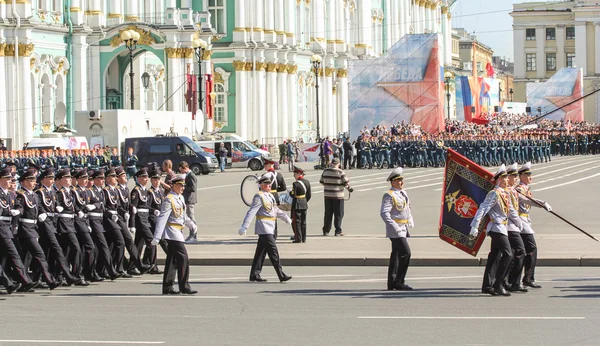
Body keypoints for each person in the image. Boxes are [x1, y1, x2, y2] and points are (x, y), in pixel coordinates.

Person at [469, 164, 520, 297]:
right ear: (498, 180)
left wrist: (518, 222)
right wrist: (475, 226)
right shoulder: (494, 193)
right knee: (508, 254)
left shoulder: (504, 193)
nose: (507, 180)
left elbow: (511, 210)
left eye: (507, 179)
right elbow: (483, 209)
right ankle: (498, 284)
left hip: (502, 227)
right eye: (504, 179)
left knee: (495, 256)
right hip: (496, 227)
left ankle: (487, 285)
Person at [238, 174, 292, 283]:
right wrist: (245, 226)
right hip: (264, 227)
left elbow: (275, 210)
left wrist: (286, 218)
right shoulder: (259, 196)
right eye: (267, 185)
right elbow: (252, 212)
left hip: (270, 227)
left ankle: (254, 274)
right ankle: (281, 275)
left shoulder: (270, 196)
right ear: (261, 185)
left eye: (269, 184)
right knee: (273, 251)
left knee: (261, 252)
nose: (269, 186)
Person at [151, 174, 198, 295]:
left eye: (183, 186)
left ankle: (168, 287)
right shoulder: (169, 199)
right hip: (172, 233)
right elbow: (162, 218)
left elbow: (183, 215)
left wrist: (191, 224)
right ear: (174, 186)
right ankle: (184, 286)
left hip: (179, 231)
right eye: (180, 185)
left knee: (172, 260)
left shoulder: (180, 198)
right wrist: (157, 236)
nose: (182, 188)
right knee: (183, 258)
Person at [515, 162, 552, 289]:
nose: (531, 177)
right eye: (528, 175)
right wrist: (542, 204)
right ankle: (527, 278)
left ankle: (525, 278)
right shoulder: (519, 189)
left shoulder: (525, 188)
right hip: (521, 222)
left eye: (531, 175)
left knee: (525, 251)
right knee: (531, 249)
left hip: (525, 221)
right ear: (522, 176)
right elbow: (526, 200)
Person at [0, 167, 35, 293]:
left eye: (11, 179)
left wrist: (17, 211)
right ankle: (24, 280)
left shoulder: (10, 194)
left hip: (7, 227)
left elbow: (19, 207)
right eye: (7, 179)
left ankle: (10, 283)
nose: (10, 181)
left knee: (4, 257)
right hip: (2, 227)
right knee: (14, 253)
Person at [380, 167, 414, 290]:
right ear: (393, 182)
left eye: (402, 180)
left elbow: (407, 207)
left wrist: (410, 219)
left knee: (396, 254)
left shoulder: (403, 193)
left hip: (403, 227)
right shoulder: (389, 195)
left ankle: (392, 282)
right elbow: (384, 214)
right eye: (399, 180)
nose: (402, 182)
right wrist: (396, 228)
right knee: (406, 253)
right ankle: (399, 281)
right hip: (395, 230)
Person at [504, 163, 528, 293]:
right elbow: (510, 209)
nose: (516, 178)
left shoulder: (513, 190)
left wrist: (542, 204)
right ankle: (513, 281)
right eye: (513, 176)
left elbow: (525, 200)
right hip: (509, 226)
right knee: (519, 251)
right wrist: (518, 221)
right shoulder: (506, 191)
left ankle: (509, 281)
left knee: (513, 253)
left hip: (514, 225)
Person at [319, 157, 350, 236]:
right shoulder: (340, 172)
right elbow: (346, 182)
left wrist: (329, 186)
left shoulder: (325, 171)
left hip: (327, 195)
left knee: (328, 213)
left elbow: (321, 181)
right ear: (338, 164)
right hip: (338, 195)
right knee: (339, 214)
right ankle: (338, 230)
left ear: (331, 163)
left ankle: (326, 230)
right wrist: (348, 188)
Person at [289, 166, 311, 243]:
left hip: (297, 204)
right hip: (304, 204)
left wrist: (290, 193)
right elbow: (309, 195)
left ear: (299, 173)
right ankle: (304, 238)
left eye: (295, 173)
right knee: (303, 222)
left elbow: (293, 195)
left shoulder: (295, 184)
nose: (294, 175)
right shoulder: (307, 182)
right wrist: (304, 201)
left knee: (297, 222)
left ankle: (298, 238)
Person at [179, 162, 198, 243]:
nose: (181, 172)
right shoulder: (188, 175)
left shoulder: (191, 176)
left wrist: (183, 187)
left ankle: (193, 235)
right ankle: (191, 234)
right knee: (189, 217)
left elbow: (193, 188)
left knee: (191, 217)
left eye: (182, 170)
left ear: (185, 168)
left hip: (190, 199)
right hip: (187, 199)